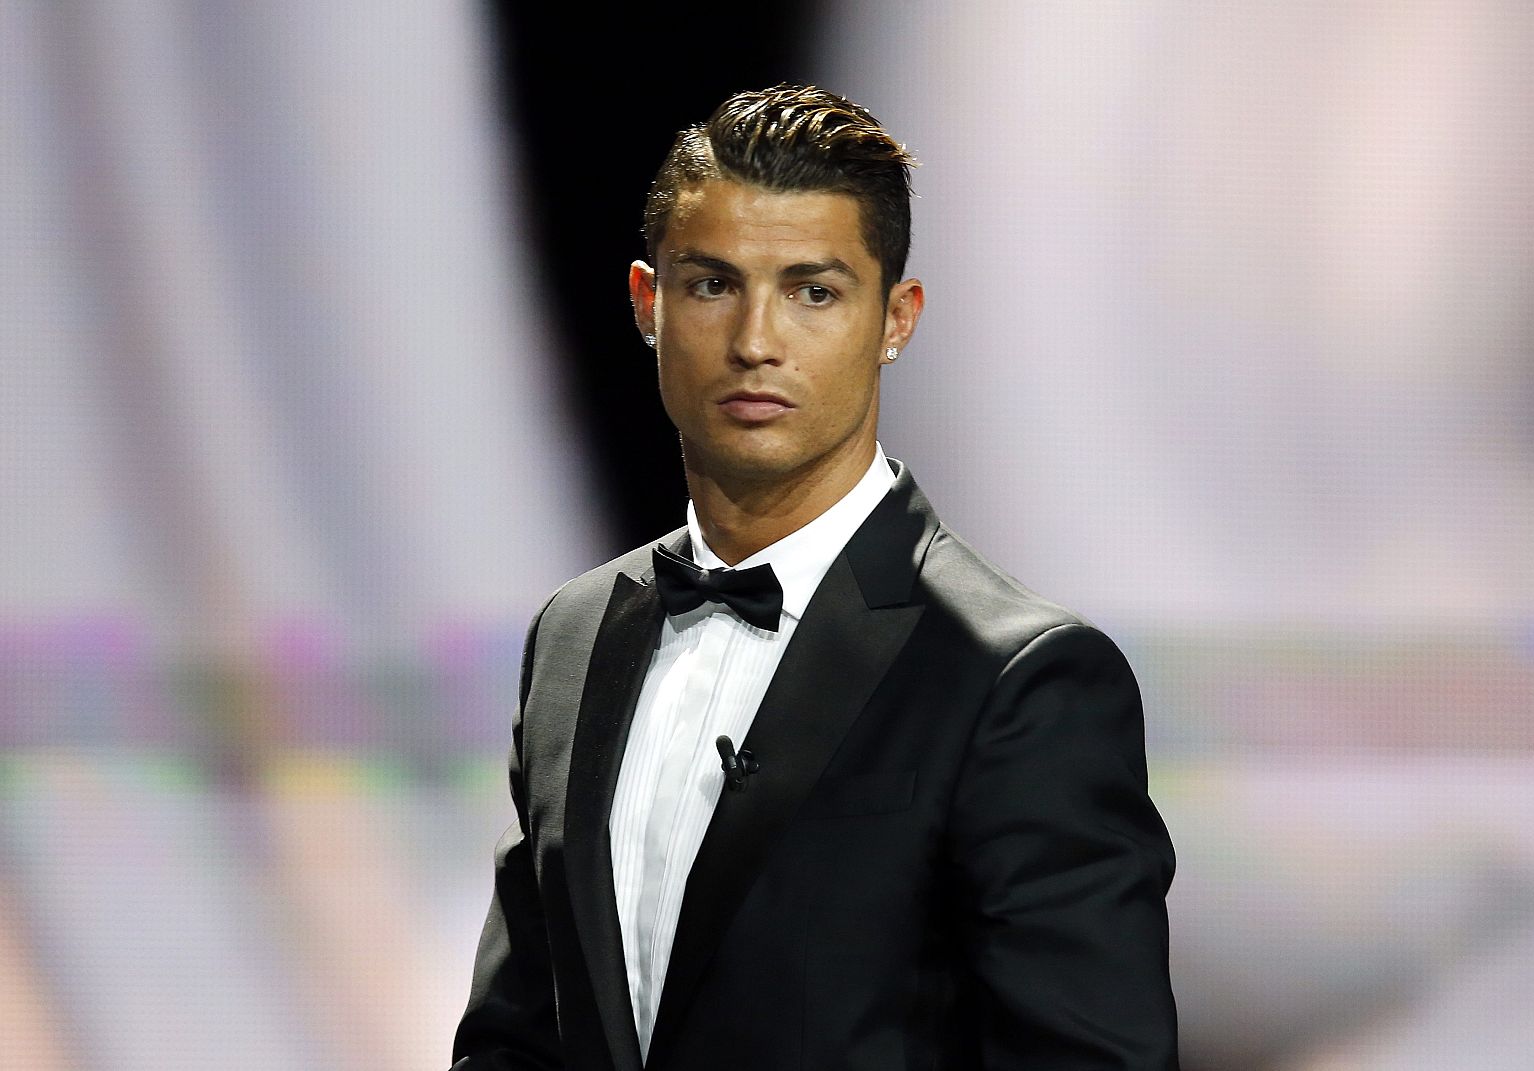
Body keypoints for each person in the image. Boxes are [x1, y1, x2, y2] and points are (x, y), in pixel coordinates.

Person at [451, 84, 1179, 1071]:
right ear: (646, 304)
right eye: (712, 285)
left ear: (896, 318)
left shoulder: (1020, 679)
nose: (756, 341)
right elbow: (516, 1036)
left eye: (813, 291)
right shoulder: (575, 638)